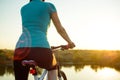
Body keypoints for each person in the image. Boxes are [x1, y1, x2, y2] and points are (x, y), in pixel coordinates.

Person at [13, 0, 75, 80]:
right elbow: (60, 29)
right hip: (41, 49)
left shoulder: (23, 8)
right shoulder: (49, 6)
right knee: (53, 67)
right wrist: (70, 42)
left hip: (20, 50)